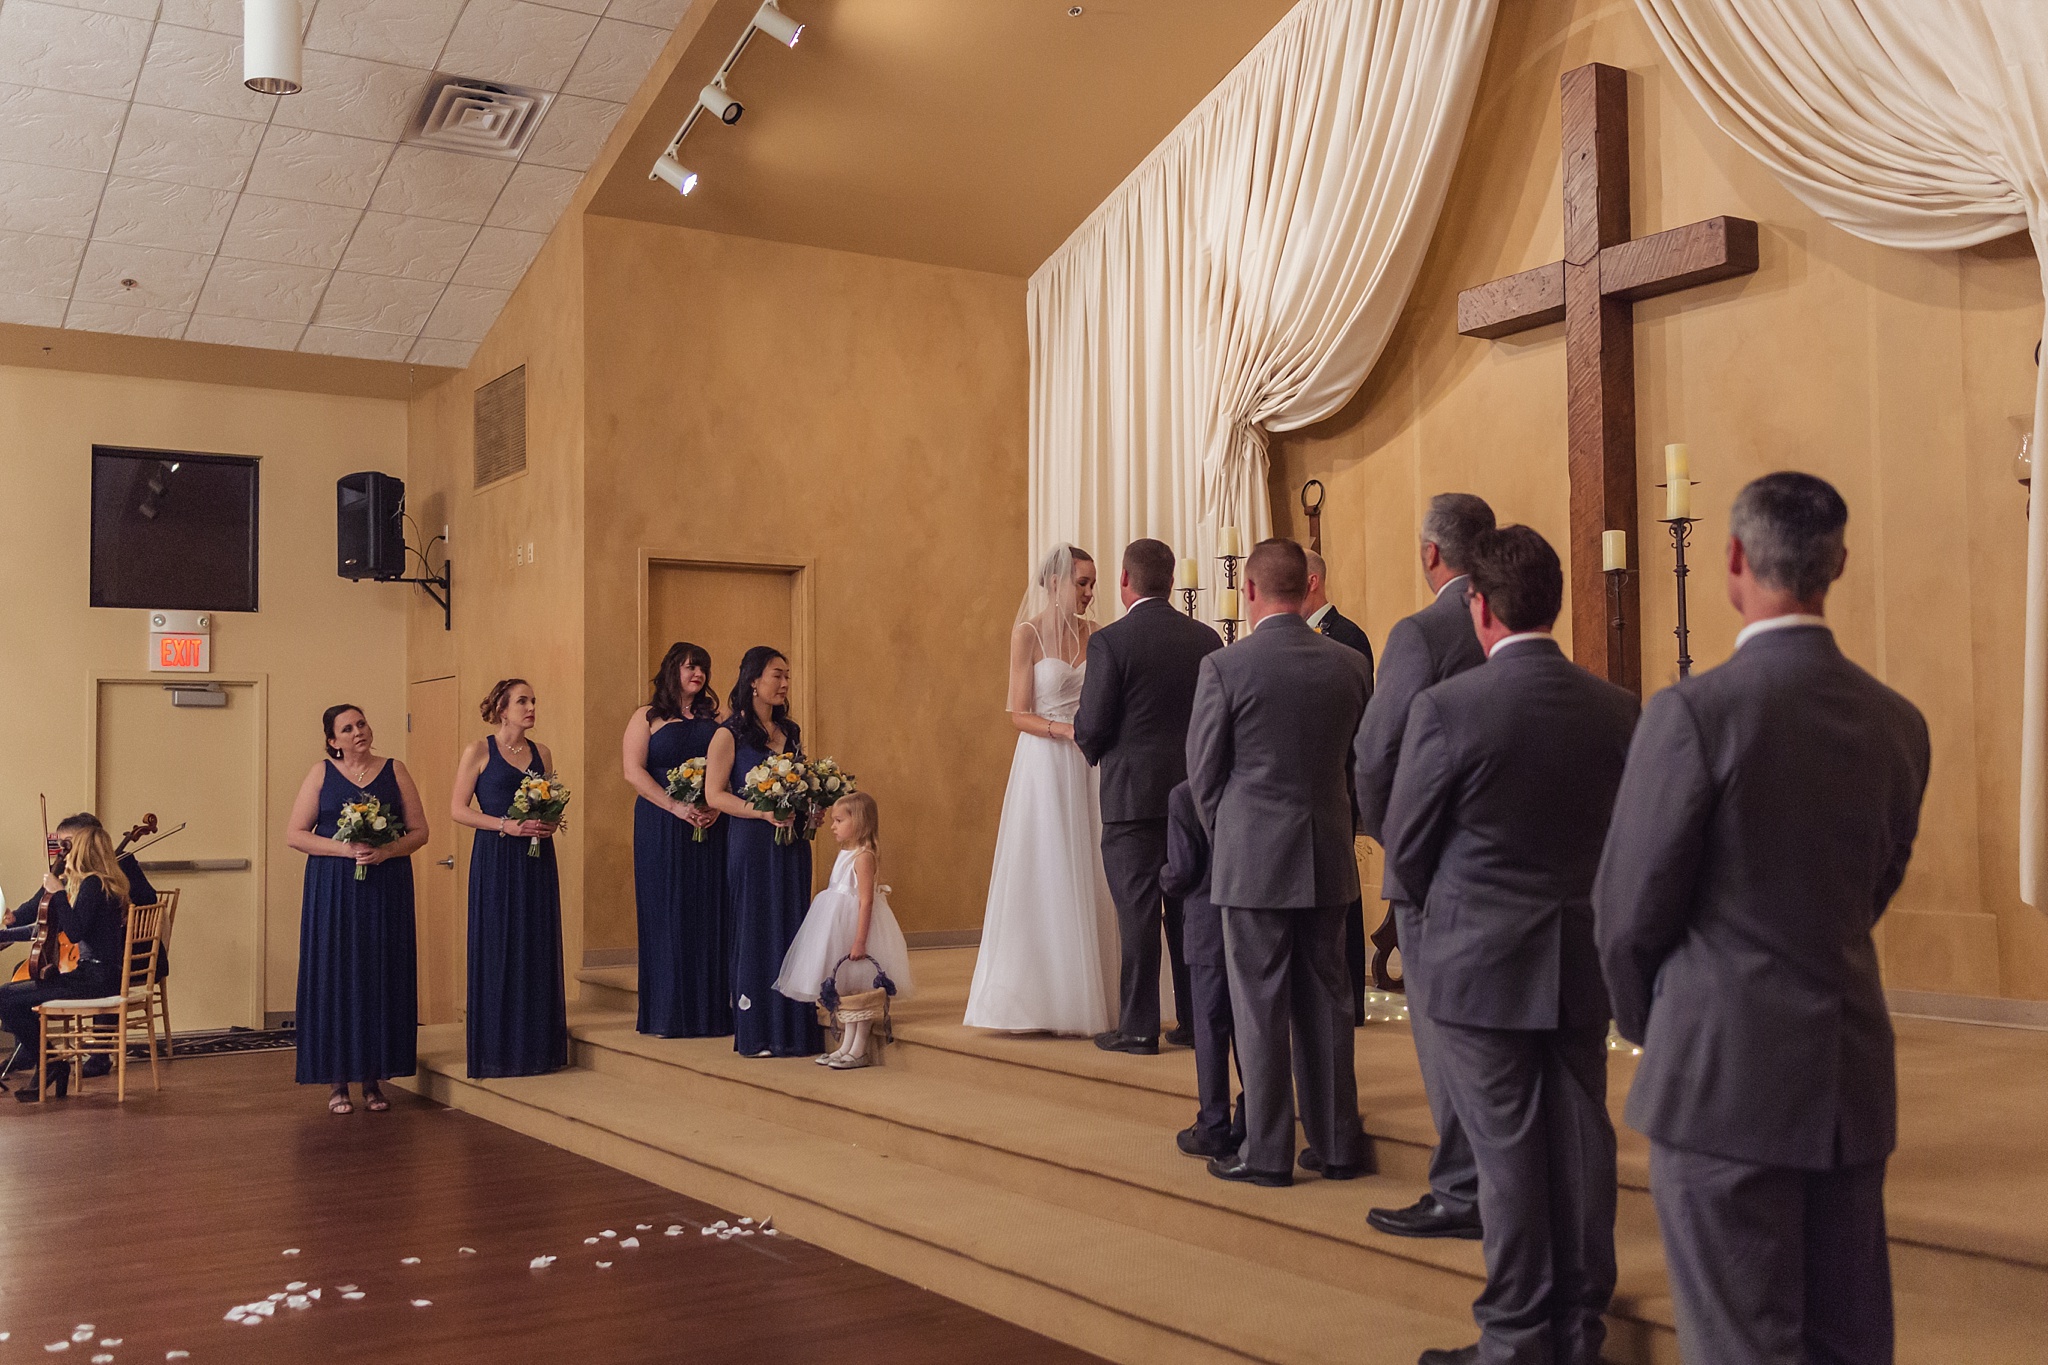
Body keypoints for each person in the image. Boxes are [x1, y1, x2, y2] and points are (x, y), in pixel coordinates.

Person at [1595, 473, 1930, 1365]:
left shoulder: (1694, 712)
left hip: (1720, 1080)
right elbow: (1875, 886)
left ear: (1735, 559)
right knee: (1848, 1340)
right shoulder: (1900, 722)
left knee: (1742, 1343)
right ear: (1840, 564)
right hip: (1848, 1074)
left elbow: (1626, 914)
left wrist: (1653, 1025)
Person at [1384, 526, 1637, 1365]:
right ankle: (1577, 1328)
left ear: (1478, 607)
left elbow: (1407, 846)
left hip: (1479, 963)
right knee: (1582, 1140)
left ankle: (1516, 1340)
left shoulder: (1449, 708)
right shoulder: (1615, 707)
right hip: (1577, 956)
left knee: (1509, 1152)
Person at [1186, 538, 1373, 1186]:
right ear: (1308, 587)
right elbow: (1356, 763)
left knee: (1259, 1004)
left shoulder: (1226, 667)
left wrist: (1230, 835)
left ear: (1254, 590)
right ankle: (1337, 1143)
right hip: (1326, 850)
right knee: (1328, 1002)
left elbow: (1203, 775)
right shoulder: (1350, 665)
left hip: (1252, 859)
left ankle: (1266, 1152)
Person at [1354, 492, 1495, 1242]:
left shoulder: (1421, 631)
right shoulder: (1514, 625)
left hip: (1435, 864)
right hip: (1510, 865)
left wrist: (1393, 835)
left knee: (1443, 1035)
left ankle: (1460, 1188)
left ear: (1431, 554)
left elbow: (1376, 751)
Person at [964, 546, 1121, 1036]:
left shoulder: (1097, 635)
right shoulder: (1026, 634)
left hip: (1089, 762)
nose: (1090, 592)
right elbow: (1017, 712)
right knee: (1048, 867)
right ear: (1055, 583)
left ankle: (1097, 992)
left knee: (1092, 866)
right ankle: (1038, 997)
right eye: (1082, 583)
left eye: (1093, 583)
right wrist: (1064, 730)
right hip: (1045, 762)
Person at [1075, 537, 1223, 1054]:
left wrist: (1091, 747)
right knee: (1188, 913)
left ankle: (1138, 1027)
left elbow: (1092, 722)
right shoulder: (1207, 639)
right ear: (1173, 581)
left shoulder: (1111, 642)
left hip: (1132, 799)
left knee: (1137, 912)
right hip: (1194, 798)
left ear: (1124, 580)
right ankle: (1193, 1021)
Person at [285, 704, 428, 1114]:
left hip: (385, 886)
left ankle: (373, 1079)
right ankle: (337, 1081)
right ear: (333, 741)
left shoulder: (395, 770)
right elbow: (295, 834)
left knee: (377, 973)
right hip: (332, 889)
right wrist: (344, 849)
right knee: (336, 974)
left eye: (361, 723)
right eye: (346, 728)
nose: (358, 732)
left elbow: (421, 830)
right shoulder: (320, 774)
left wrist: (385, 851)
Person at [707, 646, 823, 1058]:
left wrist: (811, 810)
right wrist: (762, 811)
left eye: (788, 676)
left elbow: (800, 781)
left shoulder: (789, 732)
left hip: (791, 845)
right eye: (778, 675)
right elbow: (714, 794)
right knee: (756, 927)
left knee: (792, 925)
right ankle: (757, 1028)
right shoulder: (728, 733)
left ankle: (793, 1027)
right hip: (752, 844)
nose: (785, 683)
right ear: (753, 681)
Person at [452, 679, 568, 1079]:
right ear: (502, 709)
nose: (531, 707)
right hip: (497, 857)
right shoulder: (479, 750)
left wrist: (549, 823)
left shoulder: (543, 753)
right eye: (523, 701)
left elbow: (549, 801)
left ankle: (536, 1047)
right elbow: (458, 809)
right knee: (499, 944)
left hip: (537, 859)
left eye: (534, 700)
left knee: (535, 943)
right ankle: (497, 1050)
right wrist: (506, 826)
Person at [5, 812, 164, 1081]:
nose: (61, 851)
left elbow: (75, 929)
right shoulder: (90, 879)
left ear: (84, 842)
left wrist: (58, 895)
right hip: (97, 969)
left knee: (10, 996)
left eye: (67, 844)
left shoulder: (96, 881)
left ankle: (54, 1058)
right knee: (18, 986)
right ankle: (39, 1052)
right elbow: (41, 912)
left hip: (109, 967)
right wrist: (12, 923)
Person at [623, 641, 729, 1038]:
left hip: (712, 823)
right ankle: (667, 1014)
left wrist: (715, 806)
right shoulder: (647, 716)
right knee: (666, 911)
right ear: (672, 671)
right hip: (661, 824)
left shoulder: (718, 718)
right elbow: (633, 771)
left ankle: (712, 1012)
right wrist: (675, 807)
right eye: (689, 667)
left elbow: (731, 767)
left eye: (702, 667)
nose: (697, 674)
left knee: (710, 910)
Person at [774, 792, 916, 1070]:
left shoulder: (863, 857)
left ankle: (859, 1048)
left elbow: (866, 901)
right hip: (835, 925)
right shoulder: (845, 854)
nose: (832, 826)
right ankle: (845, 1045)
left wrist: (860, 941)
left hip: (856, 929)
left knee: (860, 990)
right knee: (845, 992)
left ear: (859, 821)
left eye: (839, 820)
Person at [1302, 548, 1375, 1029]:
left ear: (1312, 582)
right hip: (1311, 782)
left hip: (1337, 779)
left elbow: (1358, 716)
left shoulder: (1346, 637)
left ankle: (1349, 995)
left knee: (1342, 887)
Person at [1161, 778, 1243, 1160]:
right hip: (1250, 925)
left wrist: (1161, 875)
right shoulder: (1251, 788)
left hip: (1206, 924)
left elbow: (1181, 871)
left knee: (1210, 1028)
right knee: (1250, 1027)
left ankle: (1213, 1123)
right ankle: (1252, 1115)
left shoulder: (1185, 795)